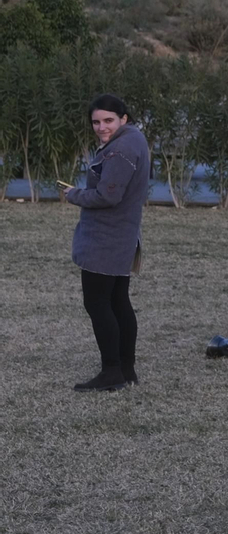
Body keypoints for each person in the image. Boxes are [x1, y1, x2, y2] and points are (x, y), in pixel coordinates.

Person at [65, 94, 151, 392]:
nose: (102, 127)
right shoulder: (134, 140)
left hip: (106, 237)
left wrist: (74, 194)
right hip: (122, 234)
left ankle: (112, 371)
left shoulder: (121, 149)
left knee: (98, 302)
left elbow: (108, 196)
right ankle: (126, 369)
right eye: (96, 122)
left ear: (123, 119)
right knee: (117, 301)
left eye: (108, 121)